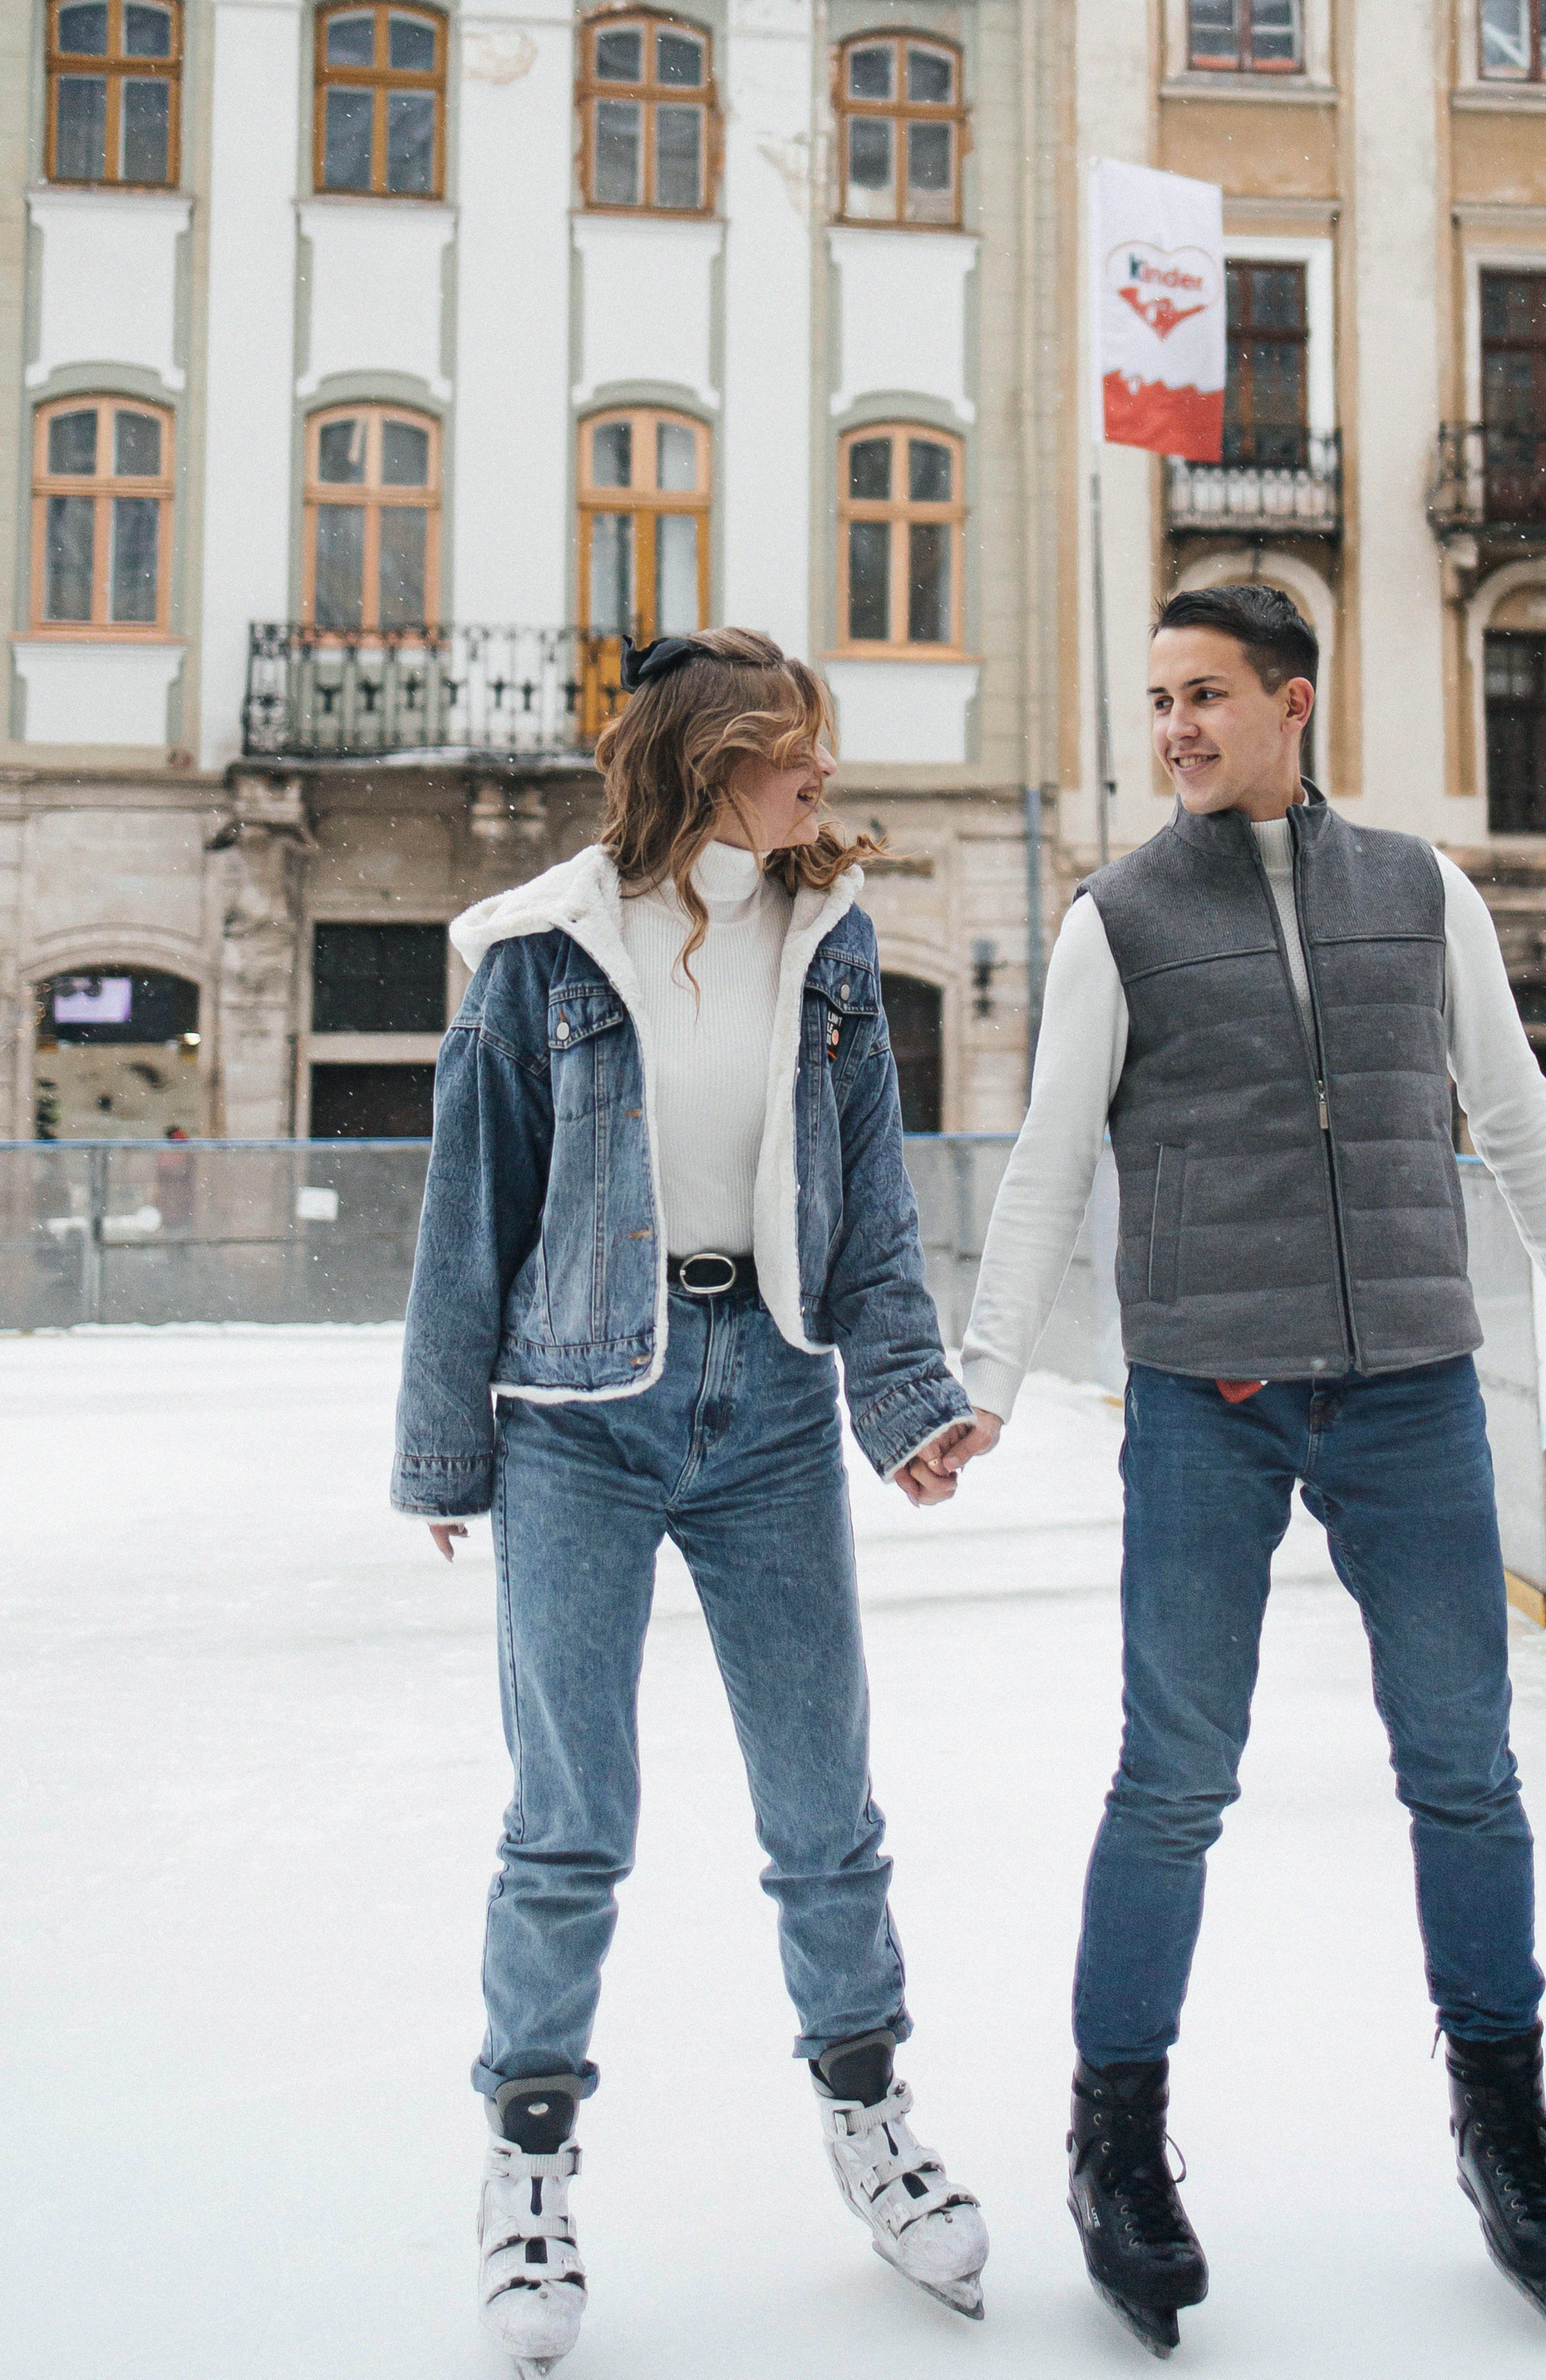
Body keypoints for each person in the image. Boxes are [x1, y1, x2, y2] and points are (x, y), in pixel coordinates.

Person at [943, 585, 1546, 2351]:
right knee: (1173, 1776)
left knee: (1464, 1771)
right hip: (1209, 1393)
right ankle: (1116, 2139)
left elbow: (1509, 1110)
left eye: (1202, 694)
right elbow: (1045, 1167)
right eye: (1155, 700)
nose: (1173, 726)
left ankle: (1502, 2119)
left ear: (1292, 700)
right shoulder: (1112, 920)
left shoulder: (1419, 891)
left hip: (1410, 1388)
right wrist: (979, 1379)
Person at [391, 627, 990, 2373]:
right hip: (580, 1410)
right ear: (712, 755)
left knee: (824, 1801)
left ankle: (869, 2115)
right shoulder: (535, 952)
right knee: (569, 1818)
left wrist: (906, 1406)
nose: (823, 776)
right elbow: (470, 1215)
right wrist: (447, 1451)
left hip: (776, 1406)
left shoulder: (831, 943)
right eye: (796, 746)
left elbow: (866, 1205)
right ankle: (528, 2166)